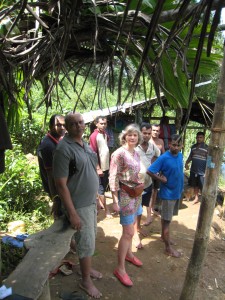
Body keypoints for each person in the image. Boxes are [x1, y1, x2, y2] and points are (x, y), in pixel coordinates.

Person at [53, 113, 102, 299]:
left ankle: (85, 271)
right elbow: (60, 184)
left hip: (89, 202)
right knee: (86, 242)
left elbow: (89, 172)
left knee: (90, 239)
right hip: (78, 205)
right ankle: (86, 281)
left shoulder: (84, 144)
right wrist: (72, 213)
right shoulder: (64, 149)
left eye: (81, 122)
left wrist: (96, 198)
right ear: (67, 126)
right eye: (73, 124)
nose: (78, 126)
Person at [109, 124, 143, 287]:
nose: (132, 137)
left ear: (138, 138)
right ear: (124, 136)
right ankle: (120, 269)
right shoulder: (119, 153)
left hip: (135, 194)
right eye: (129, 135)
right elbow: (113, 176)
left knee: (131, 228)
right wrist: (114, 200)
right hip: (124, 195)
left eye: (135, 135)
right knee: (129, 232)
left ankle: (129, 254)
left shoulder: (135, 153)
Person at [147, 134, 183, 258]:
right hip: (168, 194)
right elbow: (150, 170)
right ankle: (168, 248)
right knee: (167, 221)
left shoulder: (180, 156)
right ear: (169, 145)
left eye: (178, 145)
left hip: (176, 192)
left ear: (181, 146)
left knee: (166, 218)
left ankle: (163, 236)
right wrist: (161, 179)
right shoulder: (164, 158)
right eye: (173, 144)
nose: (175, 147)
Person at [135, 123, 160, 246]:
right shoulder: (133, 146)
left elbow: (158, 156)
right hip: (135, 184)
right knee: (135, 208)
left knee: (141, 208)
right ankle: (135, 234)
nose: (147, 135)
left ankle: (138, 227)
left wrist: (154, 168)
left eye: (149, 133)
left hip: (148, 182)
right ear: (140, 133)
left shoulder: (152, 146)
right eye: (144, 133)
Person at [37, 114, 65, 219]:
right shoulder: (47, 145)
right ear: (50, 126)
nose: (62, 127)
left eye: (64, 125)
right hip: (57, 189)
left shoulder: (59, 140)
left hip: (62, 186)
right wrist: (56, 198)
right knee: (60, 217)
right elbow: (50, 174)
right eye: (58, 125)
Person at [89, 116, 111, 217]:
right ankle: (106, 210)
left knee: (102, 186)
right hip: (99, 167)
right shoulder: (94, 136)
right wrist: (98, 168)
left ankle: (98, 206)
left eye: (105, 123)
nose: (103, 125)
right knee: (100, 188)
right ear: (96, 124)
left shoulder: (105, 134)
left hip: (105, 166)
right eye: (101, 123)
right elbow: (93, 153)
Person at [185, 132, 208, 204]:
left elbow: (209, 160)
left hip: (203, 171)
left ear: (203, 138)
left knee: (203, 186)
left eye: (200, 137)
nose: (199, 139)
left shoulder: (207, 148)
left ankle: (205, 201)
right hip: (194, 170)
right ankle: (196, 198)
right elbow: (191, 156)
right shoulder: (193, 147)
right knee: (195, 185)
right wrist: (186, 163)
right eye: (197, 137)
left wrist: (208, 171)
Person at [148, 124, 165, 222]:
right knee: (147, 190)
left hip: (157, 170)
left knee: (155, 190)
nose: (155, 132)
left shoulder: (161, 141)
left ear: (160, 132)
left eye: (157, 130)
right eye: (154, 130)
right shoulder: (147, 141)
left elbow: (163, 155)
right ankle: (146, 210)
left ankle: (152, 208)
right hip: (147, 169)